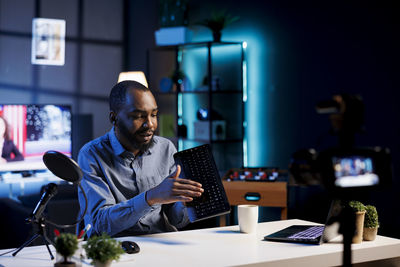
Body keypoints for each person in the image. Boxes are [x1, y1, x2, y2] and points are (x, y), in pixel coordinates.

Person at [77, 80, 203, 237]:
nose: (149, 124)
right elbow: (101, 223)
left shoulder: (165, 148)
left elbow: (176, 220)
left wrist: (184, 203)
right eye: (138, 116)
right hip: (114, 249)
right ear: (114, 118)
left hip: (160, 243)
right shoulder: (91, 155)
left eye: (154, 115)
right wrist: (151, 197)